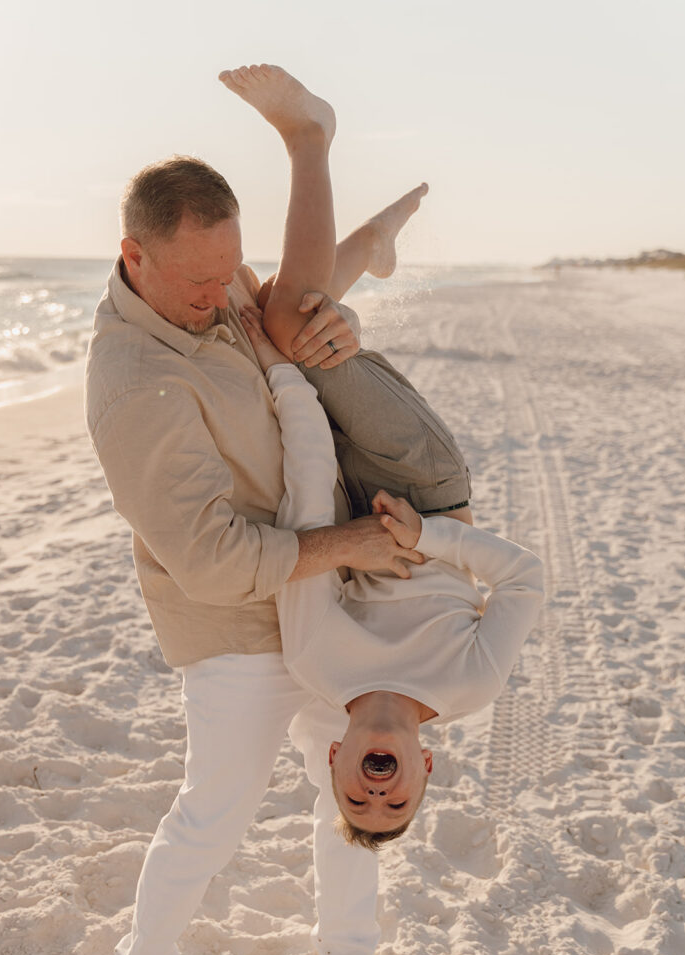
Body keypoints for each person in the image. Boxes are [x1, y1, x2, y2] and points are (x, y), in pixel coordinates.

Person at [86, 66, 437, 955]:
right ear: (134, 257)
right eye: (198, 284)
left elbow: (278, 305)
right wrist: (356, 540)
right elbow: (211, 558)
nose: (219, 295)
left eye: (226, 271)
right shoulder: (133, 385)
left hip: (321, 601)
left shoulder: (216, 285)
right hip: (237, 624)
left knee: (354, 786)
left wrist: (335, 317)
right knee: (214, 815)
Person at [219, 64, 542, 850]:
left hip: (338, 494)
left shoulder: (320, 669)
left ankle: (368, 245)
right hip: (426, 485)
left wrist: (283, 377)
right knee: (295, 322)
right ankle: (310, 134)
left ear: (334, 758)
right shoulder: (471, 684)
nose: (379, 796)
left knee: (260, 324)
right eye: (398, 807)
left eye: (359, 804)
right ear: (426, 772)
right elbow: (526, 576)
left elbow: (305, 518)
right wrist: (425, 539)